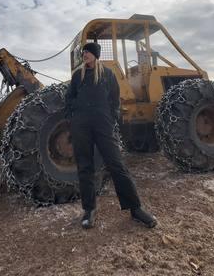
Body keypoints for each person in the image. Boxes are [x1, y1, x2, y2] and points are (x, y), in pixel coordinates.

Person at [65, 42, 157, 229]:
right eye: (84, 52)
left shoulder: (107, 74)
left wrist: (110, 118)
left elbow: (115, 99)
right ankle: (89, 210)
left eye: (88, 52)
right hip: (82, 127)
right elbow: (69, 98)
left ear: (96, 55)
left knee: (117, 164)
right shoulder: (77, 76)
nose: (85, 54)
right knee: (85, 167)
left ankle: (135, 208)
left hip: (103, 125)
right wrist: (74, 118)